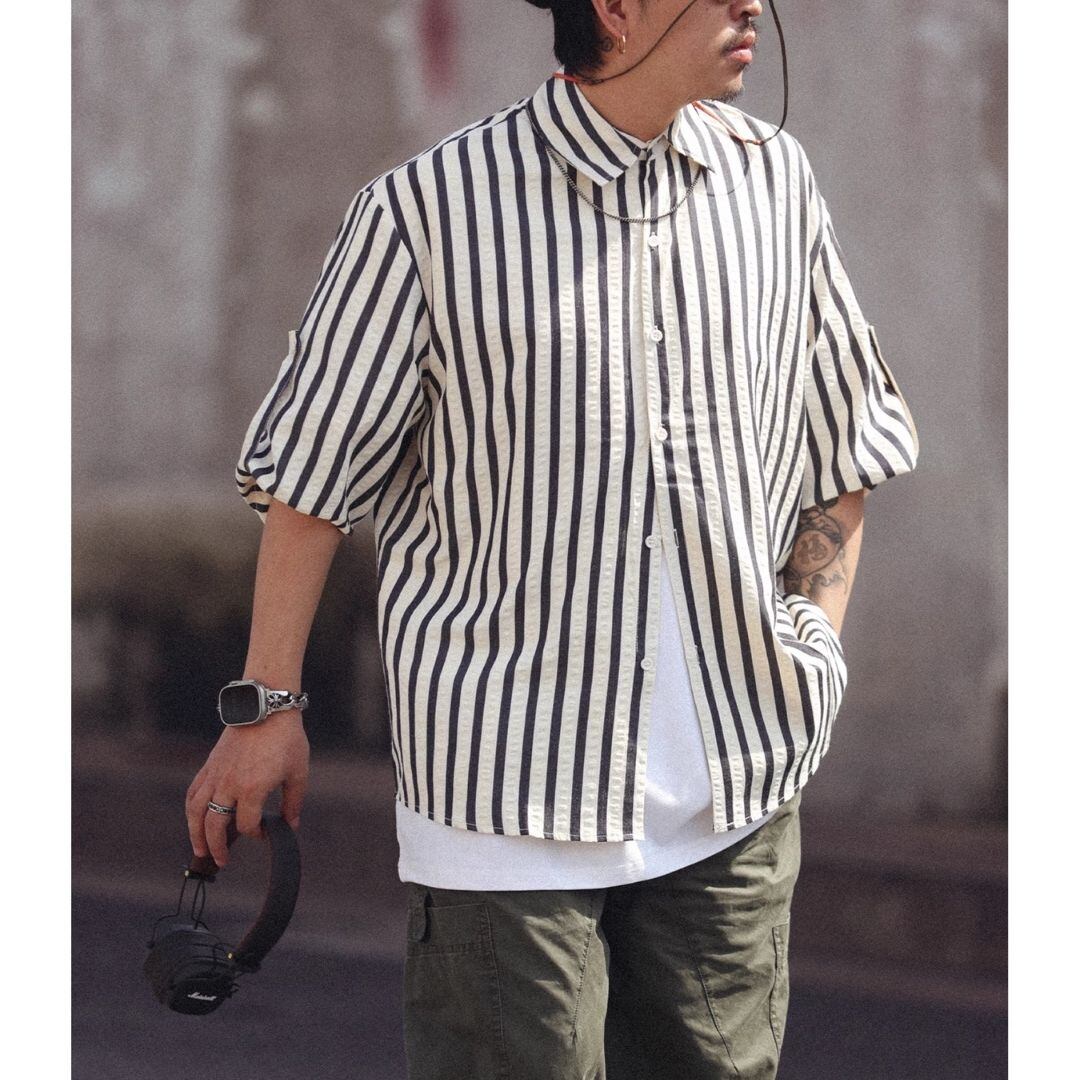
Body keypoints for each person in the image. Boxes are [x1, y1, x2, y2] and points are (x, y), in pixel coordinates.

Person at [185, 0, 919, 1076]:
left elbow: (845, 441)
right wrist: (267, 708)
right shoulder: (428, 211)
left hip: (735, 795)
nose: (752, 3)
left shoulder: (776, 183)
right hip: (504, 800)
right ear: (615, 8)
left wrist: (810, 645)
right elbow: (311, 477)